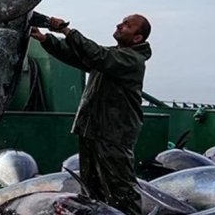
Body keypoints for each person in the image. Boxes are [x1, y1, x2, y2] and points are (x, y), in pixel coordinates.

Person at [31, 14, 152, 215]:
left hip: (113, 135)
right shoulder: (114, 55)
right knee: (91, 191)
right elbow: (80, 57)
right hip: (92, 131)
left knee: (122, 192)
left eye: (127, 25)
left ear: (137, 38)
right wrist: (46, 39)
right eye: (122, 21)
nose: (119, 25)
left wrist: (67, 31)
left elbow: (96, 55)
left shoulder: (131, 60)